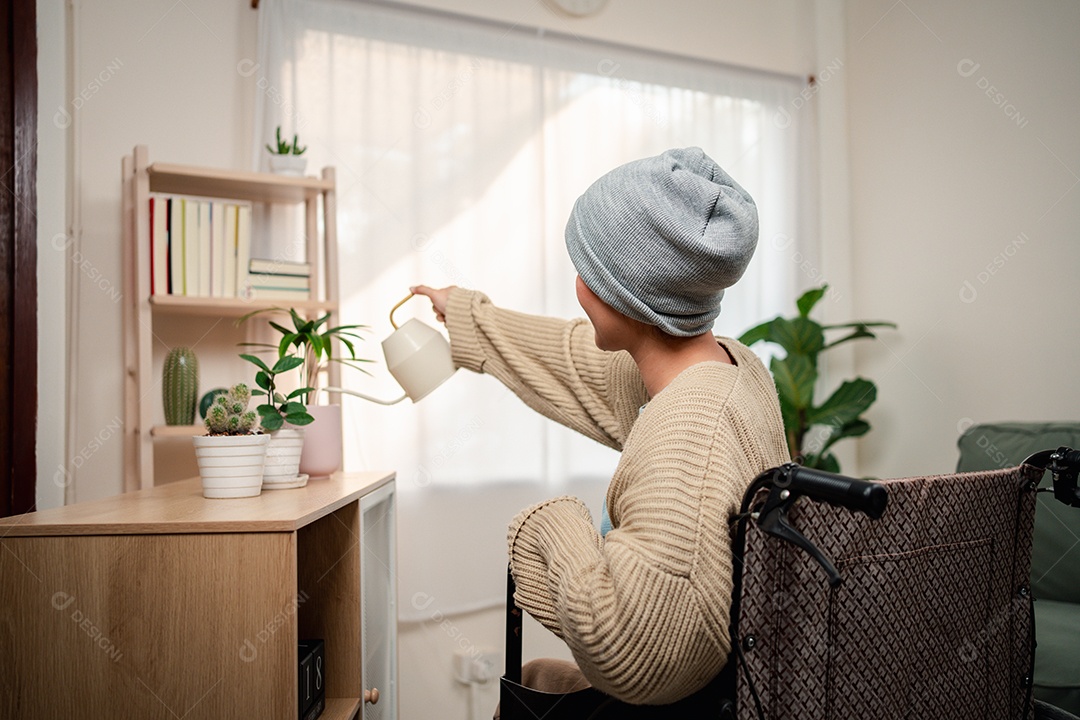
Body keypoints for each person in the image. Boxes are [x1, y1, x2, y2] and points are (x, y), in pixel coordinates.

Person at [411, 146, 789, 707]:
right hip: (737, 688)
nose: (578, 282)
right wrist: (466, 314)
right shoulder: (729, 368)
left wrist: (550, 524)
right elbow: (572, 362)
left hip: (687, 699)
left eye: (586, 267)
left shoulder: (690, 432)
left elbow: (634, 647)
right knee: (538, 674)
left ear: (624, 292)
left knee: (531, 687)